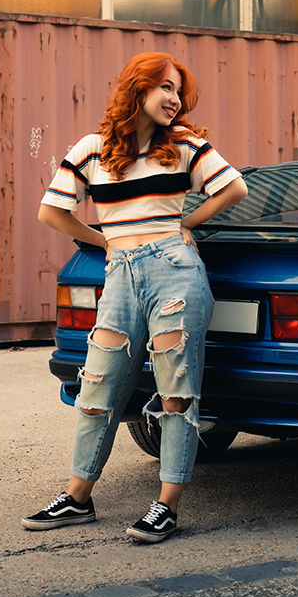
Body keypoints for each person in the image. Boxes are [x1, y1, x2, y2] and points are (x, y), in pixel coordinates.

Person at [23, 51, 247, 543]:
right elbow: (51, 211)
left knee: (176, 391)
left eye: (178, 91)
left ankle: (166, 506)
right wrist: (105, 242)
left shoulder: (186, 145)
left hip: (176, 273)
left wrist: (184, 223)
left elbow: (235, 189)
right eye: (166, 87)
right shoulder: (92, 150)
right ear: (137, 89)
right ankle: (78, 498)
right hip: (121, 274)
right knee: (98, 384)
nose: (175, 99)